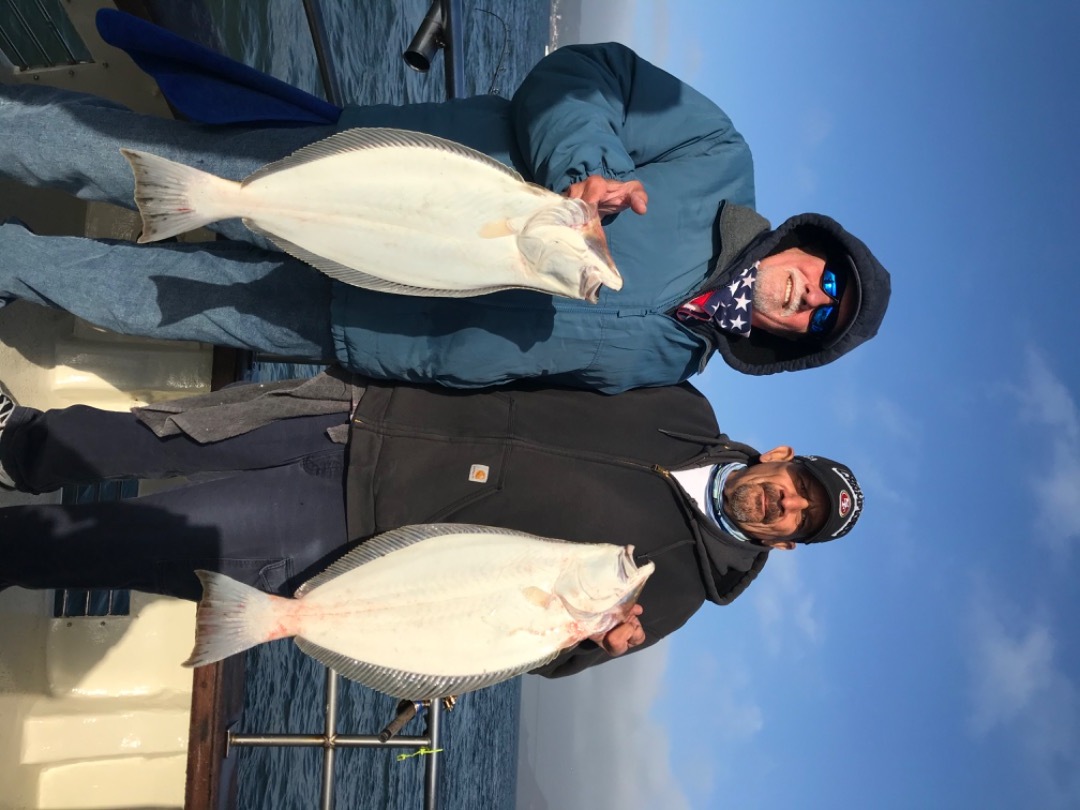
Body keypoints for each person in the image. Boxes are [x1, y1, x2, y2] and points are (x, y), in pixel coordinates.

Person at [0, 42, 890, 394]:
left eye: (819, 320)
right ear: (810, 243)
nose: (809, 295)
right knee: (141, 165)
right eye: (829, 277)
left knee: (155, 297)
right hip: (371, 191)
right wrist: (588, 172)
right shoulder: (717, 161)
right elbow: (585, 78)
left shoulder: (669, 367)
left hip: (373, 328)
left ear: (791, 344)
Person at [0, 370, 863, 677]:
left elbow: (528, 651)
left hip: (346, 532)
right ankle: (25, 444)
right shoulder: (683, 405)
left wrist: (587, 647)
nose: (786, 503)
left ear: (785, 544)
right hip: (366, 412)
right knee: (167, 428)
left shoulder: (673, 594)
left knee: (141, 539)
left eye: (800, 520)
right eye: (800, 486)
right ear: (783, 455)